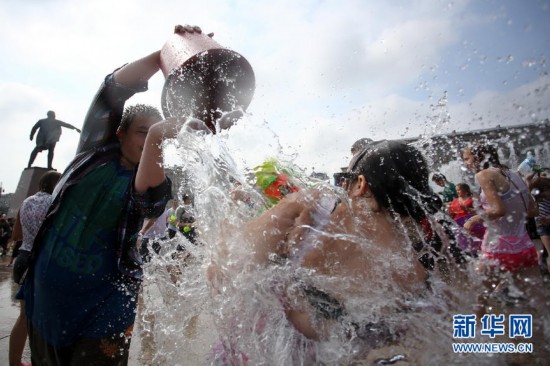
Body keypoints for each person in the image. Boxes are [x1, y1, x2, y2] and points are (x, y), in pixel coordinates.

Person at [16, 26, 226, 365]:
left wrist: (158, 134)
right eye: (140, 132)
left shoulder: (151, 176)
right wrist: (168, 53)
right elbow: (112, 90)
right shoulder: (92, 153)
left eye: (154, 137)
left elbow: (151, 202)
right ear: (119, 133)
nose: (147, 140)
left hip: (107, 305)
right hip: (49, 294)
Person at [211, 140, 454, 363]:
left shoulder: (312, 209)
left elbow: (221, 270)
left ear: (360, 184)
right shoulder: (422, 284)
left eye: (346, 178)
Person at [462, 143, 540, 305]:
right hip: (525, 247)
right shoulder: (514, 174)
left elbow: (498, 210)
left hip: (499, 248)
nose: (465, 163)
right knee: (535, 301)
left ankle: (473, 327)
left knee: (480, 299)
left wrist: (473, 219)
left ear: (479, 156)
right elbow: (533, 211)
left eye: (467, 158)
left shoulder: (483, 174)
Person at [9, 170, 61, 366]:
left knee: (24, 317)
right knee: (49, 318)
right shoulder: (56, 203)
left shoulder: (27, 201)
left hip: (23, 259)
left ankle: (14, 363)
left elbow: (16, 235)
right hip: (44, 261)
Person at [448, 183, 485, 256]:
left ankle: (479, 252)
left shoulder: (472, 199)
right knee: (464, 242)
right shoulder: (455, 201)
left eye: (459, 190)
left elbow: (480, 211)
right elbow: (451, 214)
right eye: (456, 190)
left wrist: (467, 209)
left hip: (472, 222)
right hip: (458, 223)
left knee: (475, 240)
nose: (457, 192)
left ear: (465, 190)